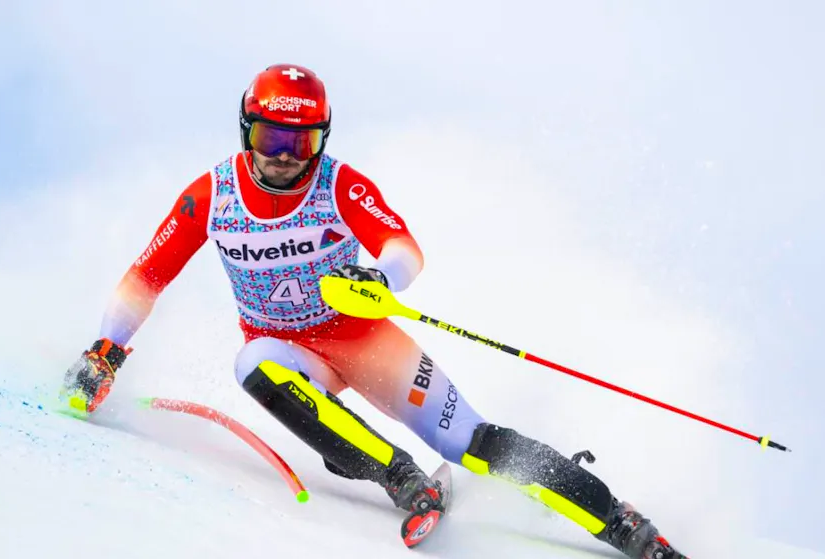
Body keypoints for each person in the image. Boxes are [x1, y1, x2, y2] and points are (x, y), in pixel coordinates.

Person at [59, 63, 688, 558]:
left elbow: (403, 247)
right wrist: (105, 351)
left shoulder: (338, 184)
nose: (283, 154)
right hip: (289, 350)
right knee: (252, 361)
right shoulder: (211, 196)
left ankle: (626, 526)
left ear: (321, 139)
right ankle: (406, 482)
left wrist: (379, 276)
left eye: (299, 140)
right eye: (269, 136)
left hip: (361, 339)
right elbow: (147, 275)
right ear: (244, 130)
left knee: (471, 440)